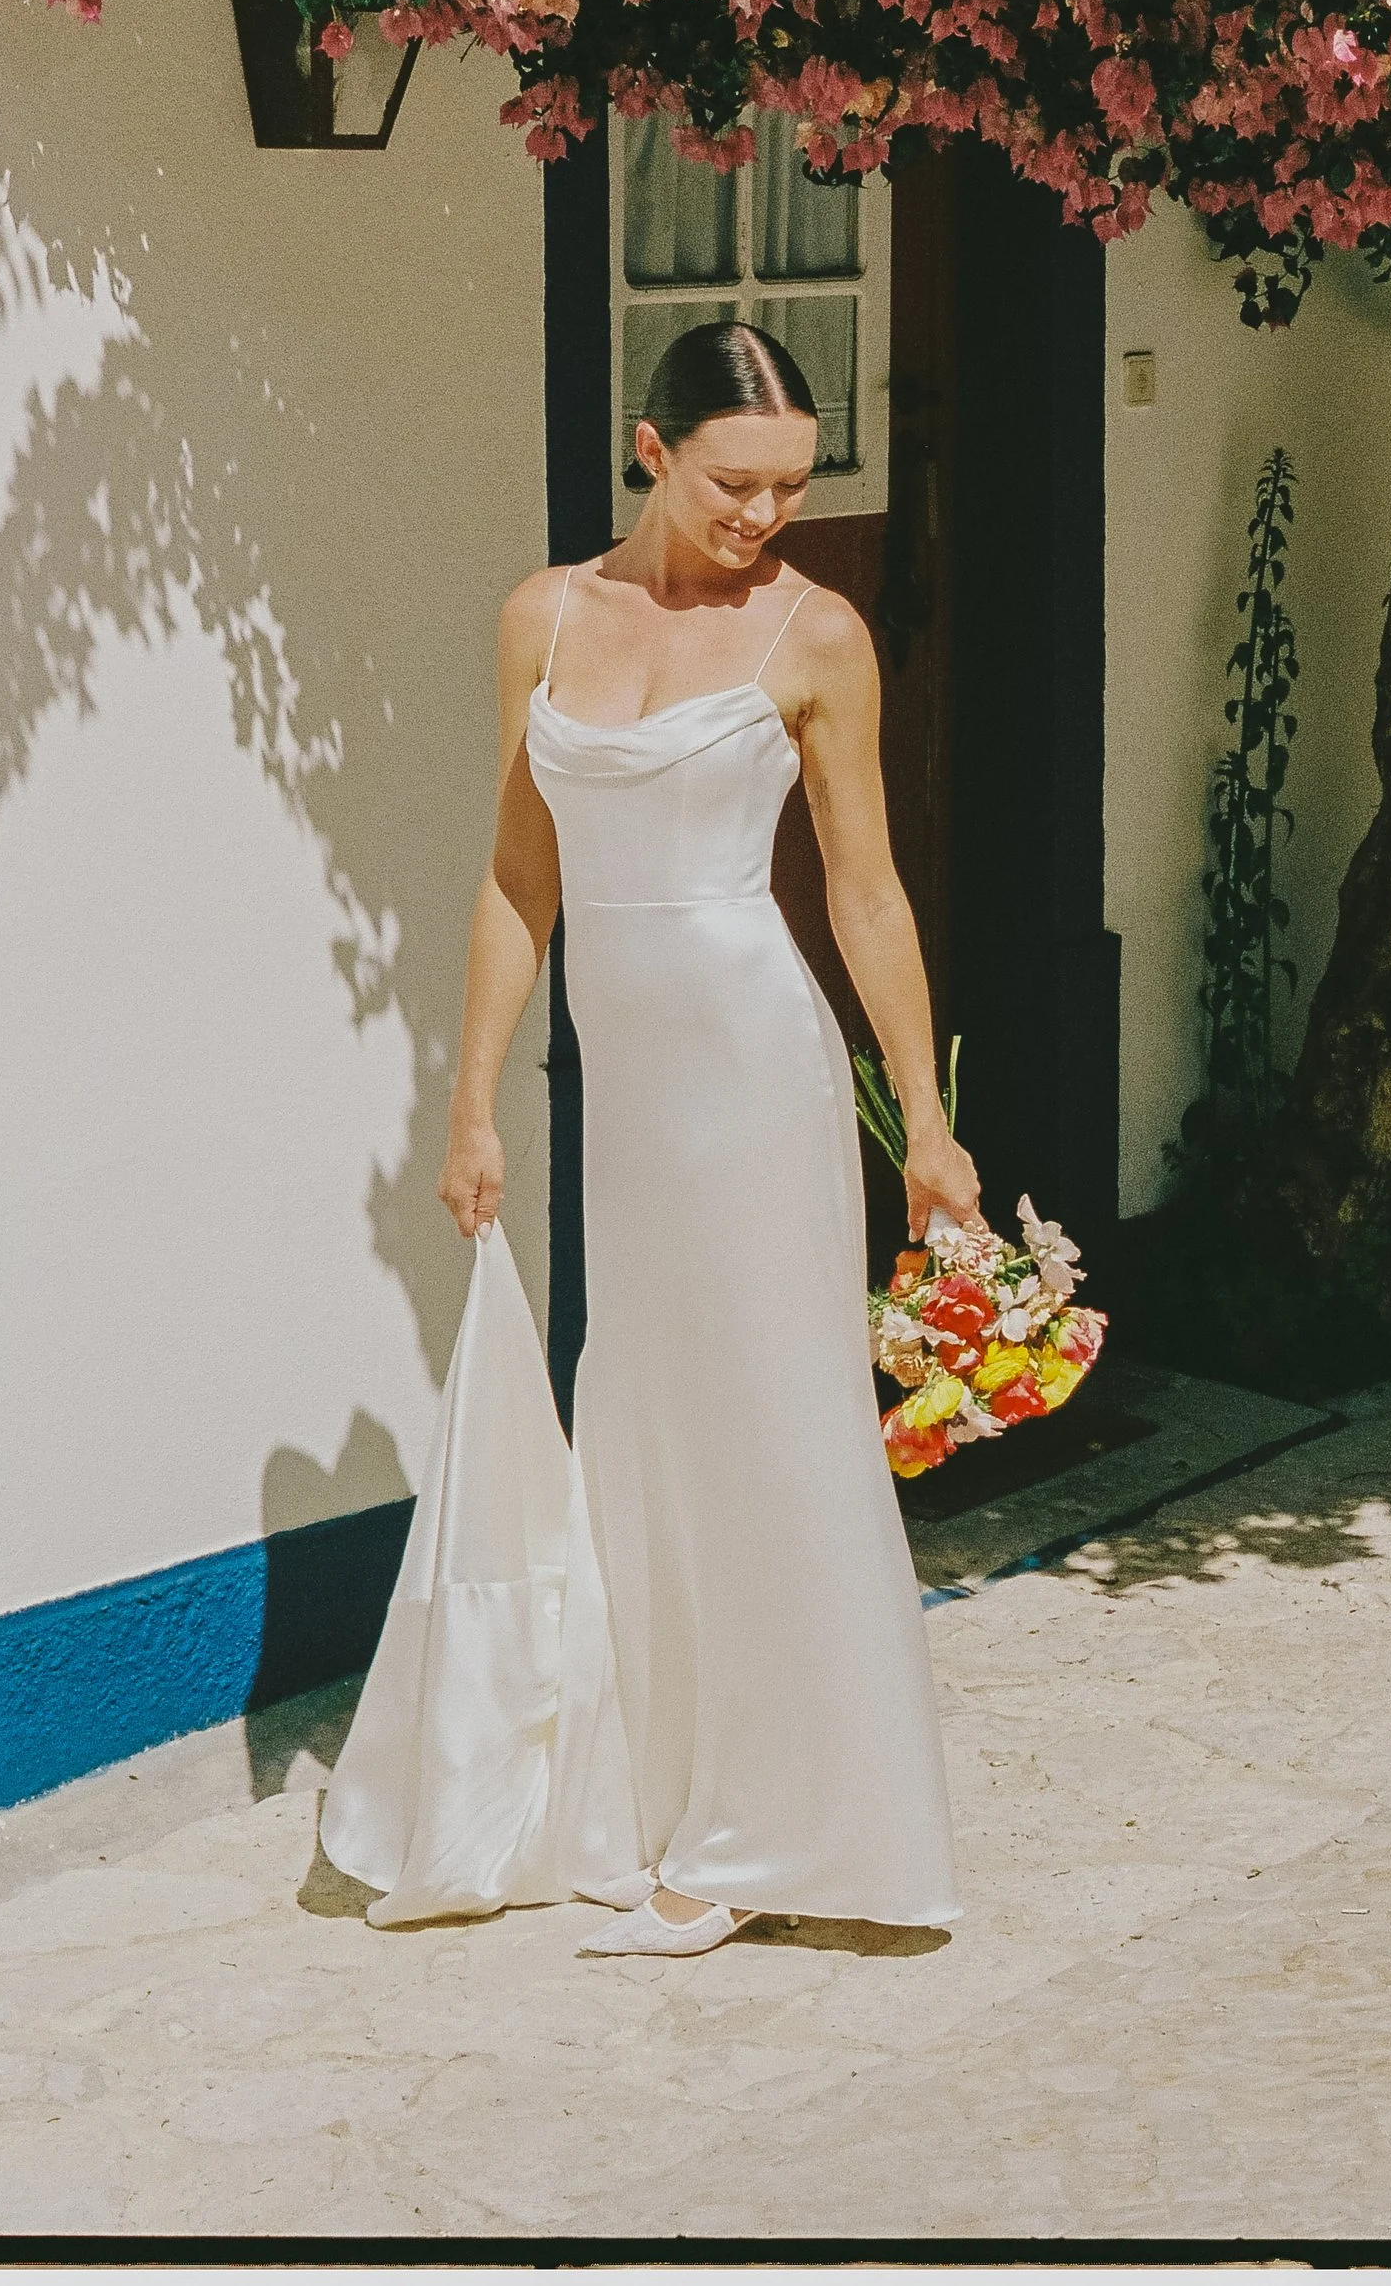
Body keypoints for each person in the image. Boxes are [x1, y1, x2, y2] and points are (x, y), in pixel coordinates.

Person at [382, 315, 977, 1956]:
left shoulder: (819, 633)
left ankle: (764, 1830)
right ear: (652, 450)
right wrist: (473, 1099)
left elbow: (863, 890)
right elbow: (520, 876)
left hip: (757, 1073)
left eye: (789, 485)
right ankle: (656, 1791)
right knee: (642, 1414)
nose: (763, 515)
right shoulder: (544, 615)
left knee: (776, 1430)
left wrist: (922, 1120)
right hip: (625, 1092)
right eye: (734, 482)